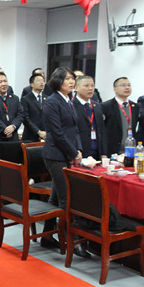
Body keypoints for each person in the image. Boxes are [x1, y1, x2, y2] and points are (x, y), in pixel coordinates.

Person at [41, 67, 90, 258]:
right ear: (58, 81)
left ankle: (46, 236)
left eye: (72, 79)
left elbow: (74, 129)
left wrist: (77, 151)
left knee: (55, 197)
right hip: (55, 154)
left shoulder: (68, 100)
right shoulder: (52, 101)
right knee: (67, 198)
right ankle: (73, 242)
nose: (71, 82)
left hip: (66, 153)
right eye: (67, 79)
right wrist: (73, 152)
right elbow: (58, 133)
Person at [72, 75, 107, 159]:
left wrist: (104, 152)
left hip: (97, 152)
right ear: (76, 88)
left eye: (92, 85)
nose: (90, 88)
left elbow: (102, 130)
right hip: (80, 151)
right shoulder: (71, 105)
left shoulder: (97, 105)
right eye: (86, 86)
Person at [102, 77, 140, 155]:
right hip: (113, 150)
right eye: (123, 85)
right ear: (115, 89)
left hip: (130, 149)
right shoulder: (106, 106)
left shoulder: (135, 106)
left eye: (129, 85)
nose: (127, 87)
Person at [21, 73, 48, 141]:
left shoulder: (48, 98)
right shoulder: (26, 99)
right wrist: (38, 132)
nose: (42, 82)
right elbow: (26, 118)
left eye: (43, 80)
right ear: (31, 84)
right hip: (30, 136)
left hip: (46, 135)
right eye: (38, 80)